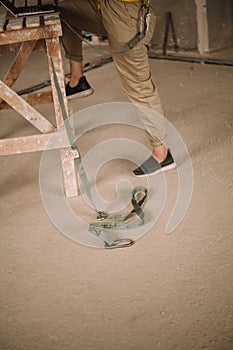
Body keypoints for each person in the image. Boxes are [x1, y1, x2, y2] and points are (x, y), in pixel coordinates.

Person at [58, 0, 176, 176]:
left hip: (126, 12)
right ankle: (77, 79)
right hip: (107, 6)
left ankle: (162, 154)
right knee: (63, 9)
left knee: (139, 85)